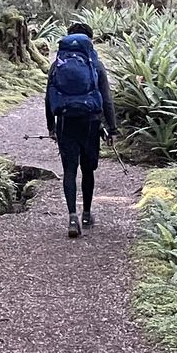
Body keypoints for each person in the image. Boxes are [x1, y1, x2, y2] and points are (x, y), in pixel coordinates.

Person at [44, 21, 117, 238]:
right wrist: (111, 129)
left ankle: (72, 216)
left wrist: (51, 126)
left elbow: (49, 97)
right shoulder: (95, 64)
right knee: (87, 169)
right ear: (90, 41)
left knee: (69, 170)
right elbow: (107, 100)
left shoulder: (57, 64)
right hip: (91, 121)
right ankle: (86, 213)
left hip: (66, 121)